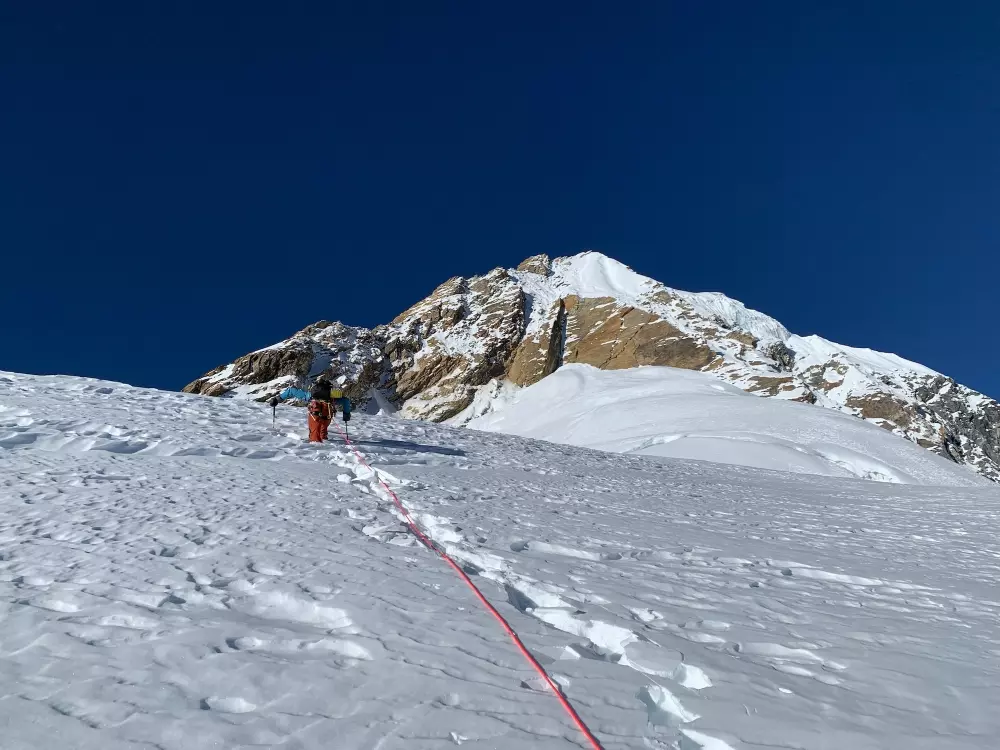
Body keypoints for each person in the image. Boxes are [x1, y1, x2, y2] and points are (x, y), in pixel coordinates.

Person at [269, 377, 351, 443]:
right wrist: (346, 415)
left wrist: (277, 399)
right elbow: (346, 401)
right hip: (327, 415)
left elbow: (292, 391)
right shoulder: (331, 398)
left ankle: (316, 448)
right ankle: (325, 443)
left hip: (315, 413)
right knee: (323, 432)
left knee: (314, 436)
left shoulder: (311, 395)